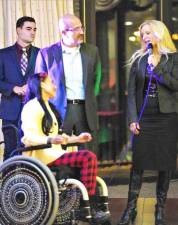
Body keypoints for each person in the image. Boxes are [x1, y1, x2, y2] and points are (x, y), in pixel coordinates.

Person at [20, 72, 110, 224]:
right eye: (51, 82)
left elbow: (59, 137)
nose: (55, 86)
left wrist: (78, 138)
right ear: (42, 84)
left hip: (52, 154)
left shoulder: (49, 107)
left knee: (87, 156)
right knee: (88, 157)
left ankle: (89, 204)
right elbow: (28, 138)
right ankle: (85, 206)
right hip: (40, 158)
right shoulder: (32, 107)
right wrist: (50, 139)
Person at [117, 20, 178, 225]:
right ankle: (130, 209)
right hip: (145, 118)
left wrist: (157, 70)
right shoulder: (140, 60)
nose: (144, 37)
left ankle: (160, 208)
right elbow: (132, 93)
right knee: (138, 164)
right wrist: (132, 119)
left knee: (165, 163)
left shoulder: (173, 59)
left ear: (160, 34)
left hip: (167, 118)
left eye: (148, 33)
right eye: (142, 34)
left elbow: (175, 85)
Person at [35, 14, 102, 151]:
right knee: (60, 155)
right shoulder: (46, 54)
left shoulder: (92, 51)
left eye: (81, 28)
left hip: (85, 111)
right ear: (64, 32)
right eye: (77, 29)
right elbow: (38, 85)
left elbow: (97, 79)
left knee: (87, 155)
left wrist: (89, 98)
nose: (82, 32)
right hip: (58, 111)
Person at [0, 16, 39, 161]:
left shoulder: (41, 54)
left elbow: (46, 79)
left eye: (35, 29)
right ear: (18, 30)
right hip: (10, 110)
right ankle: (9, 183)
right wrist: (13, 88)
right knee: (11, 151)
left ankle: (30, 183)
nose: (33, 32)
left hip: (34, 111)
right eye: (29, 29)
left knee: (32, 151)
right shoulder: (2, 54)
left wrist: (31, 86)